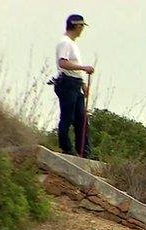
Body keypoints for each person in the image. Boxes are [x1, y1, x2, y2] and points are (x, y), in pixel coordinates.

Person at [52, 14, 94, 158]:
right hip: (67, 83)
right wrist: (83, 68)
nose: (82, 29)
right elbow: (62, 63)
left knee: (81, 119)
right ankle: (67, 147)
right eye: (81, 26)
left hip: (75, 83)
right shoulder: (65, 43)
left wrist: (82, 83)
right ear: (77, 26)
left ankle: (84, 151)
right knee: (67, 117)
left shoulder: (72, 44)